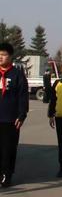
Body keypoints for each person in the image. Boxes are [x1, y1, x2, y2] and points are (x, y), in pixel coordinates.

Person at [0, 42, 29, 188]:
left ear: (10, 57)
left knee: (8, 148)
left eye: (4, 55)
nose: (1, 57)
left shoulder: (17, 74)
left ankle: (7, 174)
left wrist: (22, 114)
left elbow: (23, 96)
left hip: (10, 118)